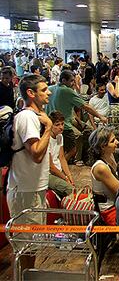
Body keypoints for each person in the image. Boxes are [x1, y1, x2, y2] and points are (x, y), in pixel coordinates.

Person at [7, 75, 53, 270]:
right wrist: (49, 128)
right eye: (43, 90)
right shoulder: (27, 117)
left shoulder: (33, 117)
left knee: (32, 244)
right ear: (30, 93)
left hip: (32, 188)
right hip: (25, 190)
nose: (49, 92)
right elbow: (35, 154)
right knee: (27, 245)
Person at [46, 70, 108, 162]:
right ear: (63, 80)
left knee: (88, 129)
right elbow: (85, 106)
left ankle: (84, 157)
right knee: (75, 144)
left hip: (55, 121)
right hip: (63, 124)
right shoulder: (66, 90)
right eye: (71, 81)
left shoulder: (50, 88)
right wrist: (100, 116)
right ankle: (71, 161)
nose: (73, 83)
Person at [88, 126, 119, 225]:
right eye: (113, 141)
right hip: (108, 210)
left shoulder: (110, 156)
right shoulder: (100, 168)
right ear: (103, 146)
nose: (117, 142)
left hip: (116, 204)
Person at [48, 111, 75, 197]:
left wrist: (69, 176)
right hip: (48, 174)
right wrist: (65, 178)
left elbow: (62, 158)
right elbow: (51, 167)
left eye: (62, 124)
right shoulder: (46, 139)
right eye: (57, 125)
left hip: (58, 171)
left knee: (73, 185)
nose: (61, 127)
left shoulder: (60, 136)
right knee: (69, 189)